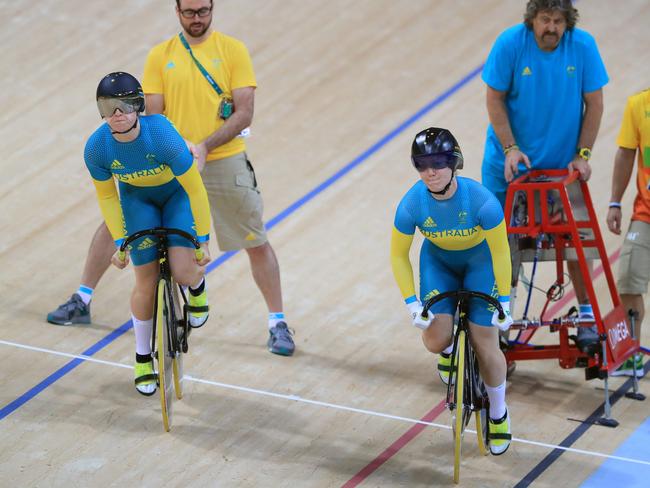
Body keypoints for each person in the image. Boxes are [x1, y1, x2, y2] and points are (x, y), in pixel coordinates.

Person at [48, 0, 295, 357]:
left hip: (222, 156)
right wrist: (178, 150)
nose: (197, 18)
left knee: (254, 237)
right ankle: (82, 297)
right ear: (177, 12)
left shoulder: (232, 51)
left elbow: (244, 112)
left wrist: (206, 146)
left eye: (203, 11)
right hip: (171, 160)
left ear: (212, 9)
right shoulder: (159, 56)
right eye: (190, 12)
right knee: (115, 221)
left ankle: (278, 322)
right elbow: (153, 116)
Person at [481, 0, 609, 354]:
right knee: (502, 246)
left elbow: (595, 104)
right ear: (532, 20)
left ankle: (585, 316)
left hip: (560, 172)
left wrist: (582, 155)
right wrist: (510, 148)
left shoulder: (582, 46)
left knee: (576, 242)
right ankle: (501, 319)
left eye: (558, 21)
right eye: (545, 20)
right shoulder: (510, 44)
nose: (551, 27)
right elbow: (494, 99)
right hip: (510, 167)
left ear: (568, 23)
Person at [86, 71, 212, 395]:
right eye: (109, 107)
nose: (117, 114)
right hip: (137, 199)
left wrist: (203, 239)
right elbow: (107, 196)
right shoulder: (97, 149)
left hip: (176, 195)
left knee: (184, 270)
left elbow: (195, 189)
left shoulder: (162, 134)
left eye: (124, 105)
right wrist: (120, 242)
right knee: (145, 279)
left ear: (139, 105)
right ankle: (143, 357)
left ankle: (196, 286)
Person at [391, 127, 514, 455]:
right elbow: (398, 254)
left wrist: (503, 300)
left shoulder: (481, 201)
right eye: (422, 164)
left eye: (439, 162)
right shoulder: (411, 204)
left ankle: (499, 414)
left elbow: (501, 252)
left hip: (481, 263)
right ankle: (447, 353)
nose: (430, 172)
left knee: (486, 341)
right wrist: (411, 304)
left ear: (455, 163)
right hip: (439, 265)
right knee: (435, 340)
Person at [606, 88, 650, 378]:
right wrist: (615, 202)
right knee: (629, 280)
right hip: (645, 214)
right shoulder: (638, 104)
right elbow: (625, 154)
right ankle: (632, 352)